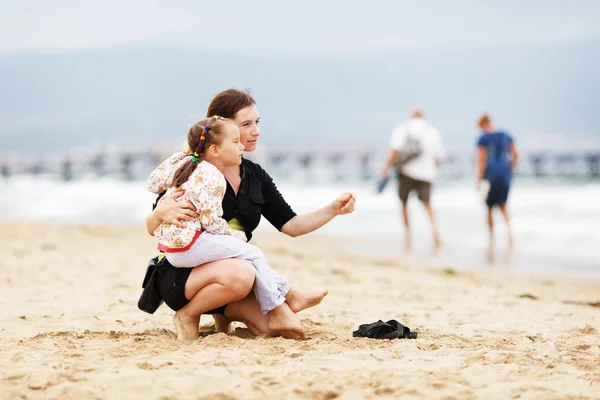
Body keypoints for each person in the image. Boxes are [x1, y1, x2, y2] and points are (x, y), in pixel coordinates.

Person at [145, 89, 356, 341]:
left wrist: (332, 209)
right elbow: (152, 228)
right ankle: (189, 313)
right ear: (219, 129)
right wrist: (159, 212)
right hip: (184, 275)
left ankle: (228, 312)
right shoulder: (194, 171)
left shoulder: (255, 176)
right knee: (243, 272)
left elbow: (292, 225)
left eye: (257, 122)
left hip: (232, 277)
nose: (255, 131)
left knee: (285, 331)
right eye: (246, 124)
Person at [147, 116, 306, 339]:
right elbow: (212, 223)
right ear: (214, 149)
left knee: (245, 259)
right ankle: (277, 304)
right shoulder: (212, 175)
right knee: (252, 252)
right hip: (187, 249)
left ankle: (273, 301)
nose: (242, 145)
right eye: (235, 141)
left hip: (174, 246)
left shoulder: (187, 166)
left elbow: (152, 183)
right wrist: (236, 235)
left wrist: (181, 156)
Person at [380, 108, 445, 251]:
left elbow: (395, 150)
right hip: (427, 174)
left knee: (404, 203)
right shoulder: (433, 132)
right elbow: (439, 159)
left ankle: (408, 233)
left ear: (411, 116)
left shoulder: (403, 128)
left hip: (406, 173)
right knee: (427, 204)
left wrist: (386, 168)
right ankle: (435, 232)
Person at [475, 113, 519, 245]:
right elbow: (516, 154)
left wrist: (478, 178)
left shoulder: (483, 138)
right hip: (505, 175)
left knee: (489, 207)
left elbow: (481, 160)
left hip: (491, 175)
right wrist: (510, 168)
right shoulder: (505, 134)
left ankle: (491, 237)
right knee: (503, 205)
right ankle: (510, 232)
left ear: (482, 125)